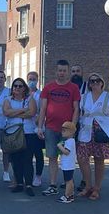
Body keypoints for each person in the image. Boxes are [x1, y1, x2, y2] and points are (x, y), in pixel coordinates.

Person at [37, 60, 81, 196]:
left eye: (64, 71)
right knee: (52, 157)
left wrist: (72, 127)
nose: (61, 73)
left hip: (66, 130)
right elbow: (43, 108)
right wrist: (40, 126)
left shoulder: (73, 88)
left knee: (67, 157)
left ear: (68, 72)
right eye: (59, 70)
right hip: (50, 127)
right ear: (55, 71)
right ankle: (52, 184)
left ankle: (68, 184)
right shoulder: (48, 88)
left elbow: (76, 109)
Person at [76, 73, 109, 201]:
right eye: (91, 81)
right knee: (82, 158)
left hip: (102, 132)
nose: (94, 83)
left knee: (99, 160)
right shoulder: (83, 97)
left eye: (97, 81)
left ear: (102, 83)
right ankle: (88, 185)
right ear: (89, 84)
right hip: (86, 132)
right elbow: (80, 113)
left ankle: (96, 188)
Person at [2, 78, 37, 196]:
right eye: (15, 86)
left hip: (28, 133)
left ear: (24, 88)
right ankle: (19, 184)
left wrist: (14, 112)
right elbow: (6, 113)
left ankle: (28, 185)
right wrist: (22, 110)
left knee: (27, 160)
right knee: (15, 160)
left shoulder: (30, 99)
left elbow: (31, 113)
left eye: (20, 86)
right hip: (13, 133)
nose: (17, 88)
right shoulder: (7, 100)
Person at [27, 71, 44, 187]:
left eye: (34, 79)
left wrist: (40, 120)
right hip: (27, 127)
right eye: (30, 79)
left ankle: (38, 176)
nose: (31, 81)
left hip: (38, 126)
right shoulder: (25, 95)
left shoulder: (41, 94)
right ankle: (27, 176)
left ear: (37, 80)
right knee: (27, 154)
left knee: (38, 153)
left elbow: (43, 109)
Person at [57, 121, 77, 203]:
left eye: (64, 131)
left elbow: (66, 152)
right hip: (68, 164)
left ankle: (67, 195)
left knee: (68, 181)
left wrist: (59, 146)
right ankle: (71, 194)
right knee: (69, 180)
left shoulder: (70, 141)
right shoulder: (69, 141)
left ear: (71, 132)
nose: (62, 132)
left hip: (68, 165)